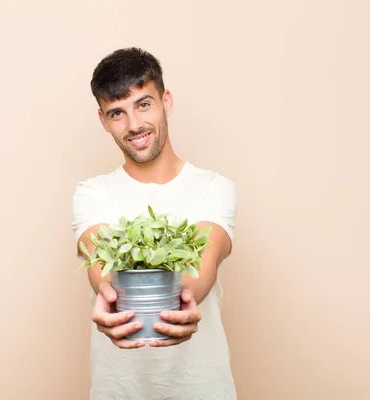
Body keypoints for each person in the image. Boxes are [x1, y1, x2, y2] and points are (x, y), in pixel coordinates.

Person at [71, 47, 237, 400]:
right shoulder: (92, 193)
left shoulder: (213, 188)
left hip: (202, 389)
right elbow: (100, 265)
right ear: (103, 120)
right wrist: (108, 295)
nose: (134, 125)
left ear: (166, 102)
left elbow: (203, 263)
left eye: (144, 104)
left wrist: (185, 301)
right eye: (117, 112)